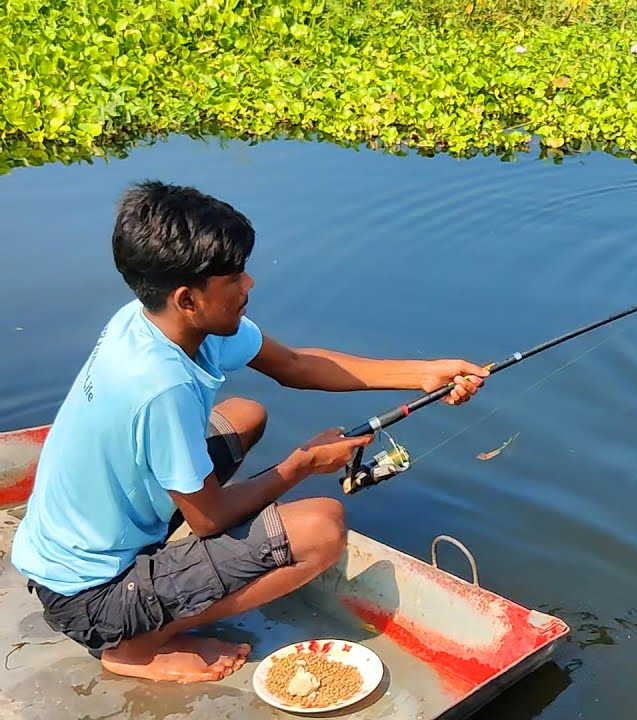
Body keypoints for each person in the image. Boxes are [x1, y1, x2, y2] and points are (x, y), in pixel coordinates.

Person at [10, 180, 489, 683]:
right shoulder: (158, 386)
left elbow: (297, 365)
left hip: (74, 548)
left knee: (246, 415)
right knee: (322, 528)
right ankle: (136, 646)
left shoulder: (152, 319)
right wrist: (301, 465)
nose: (250, 285)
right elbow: (209, 520)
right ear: (188, 298)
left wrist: (424, 373)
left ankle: (157, 589)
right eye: (234, 277)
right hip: (90, 596)